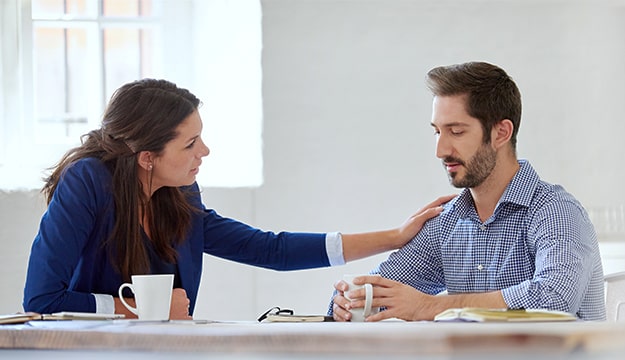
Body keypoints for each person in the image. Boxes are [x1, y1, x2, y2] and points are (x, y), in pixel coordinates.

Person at [22, 79, 453, 320]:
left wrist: (395, 237)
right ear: (148, 157)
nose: (204, 152)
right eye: (191, 143)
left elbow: (269, 248)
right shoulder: (88, 182)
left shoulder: (177, 193)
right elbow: (40, 299)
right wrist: (130, 307)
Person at [330, 61, 606, 322]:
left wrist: (430, 306)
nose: (440, 150)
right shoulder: (445, 223)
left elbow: (554, 298)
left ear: (500, 133)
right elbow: (376, 290)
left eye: (456, 131)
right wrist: (346, 301)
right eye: (437, 132)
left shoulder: (556, 211)